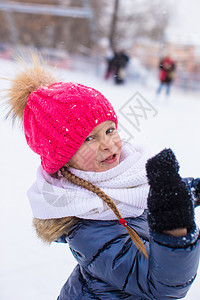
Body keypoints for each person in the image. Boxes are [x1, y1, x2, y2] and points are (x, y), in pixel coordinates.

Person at [5, 53, 200, 299]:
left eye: (109, 130)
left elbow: (144, 197)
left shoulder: (122, 177)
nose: (108, 144)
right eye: (89, 138)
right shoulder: (87, 228)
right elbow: (160, 285)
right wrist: (174, 228)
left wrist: (183, 191)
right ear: (64, 158)